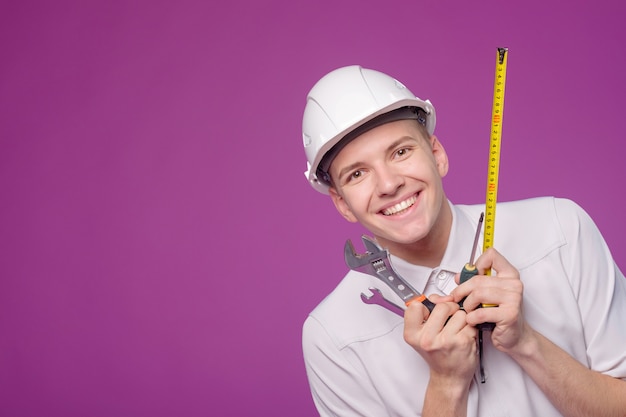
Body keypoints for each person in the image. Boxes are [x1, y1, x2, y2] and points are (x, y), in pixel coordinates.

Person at [300, 65, 626, 417]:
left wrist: (525, 342)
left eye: (400, 152)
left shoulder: (561, 229)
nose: (388, 184)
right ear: (341, 203)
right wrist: (446, 384)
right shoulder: (331, 337)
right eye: (358, 173)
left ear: (437, 154)